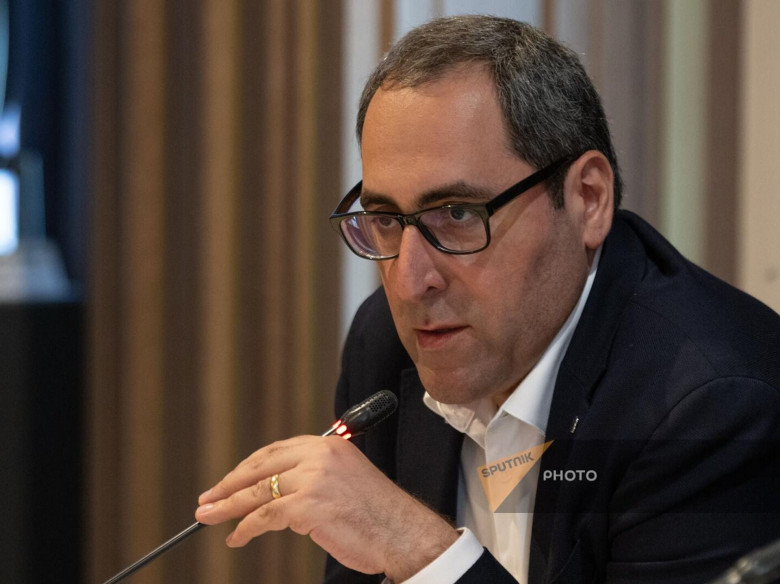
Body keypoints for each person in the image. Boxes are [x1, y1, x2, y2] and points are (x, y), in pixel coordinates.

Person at [195, 15, 780, 583]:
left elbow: (403, 547)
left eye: (456, 214)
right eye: (386, 220)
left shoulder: (710, 407)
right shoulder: (387, 345)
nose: (409, 282)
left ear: (588, 198)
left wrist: (417, 548)